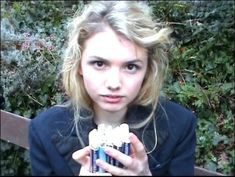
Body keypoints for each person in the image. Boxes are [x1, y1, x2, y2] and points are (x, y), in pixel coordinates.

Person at [28, 1, 197, 176]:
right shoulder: (44, 130)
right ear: (79, 65)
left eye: (131, 67)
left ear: (147, 69)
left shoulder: (179, 125)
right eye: (99, 63)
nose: (114, 83)